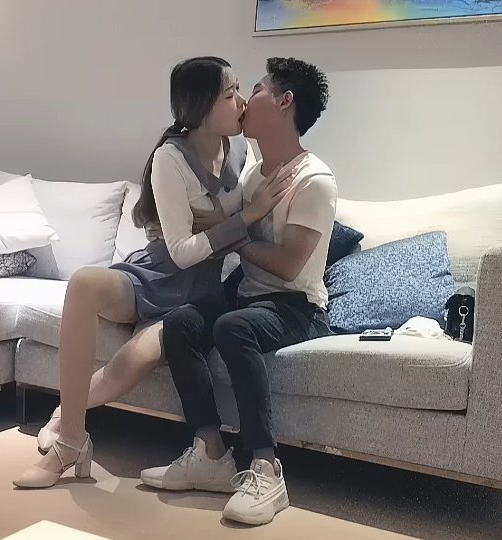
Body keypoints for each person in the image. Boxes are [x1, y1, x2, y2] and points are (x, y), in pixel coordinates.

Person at [13, 56, 289, 489]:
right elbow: (180, 251)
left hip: (203, 293)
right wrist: (242, 219)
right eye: (230, 93)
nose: (241, 102)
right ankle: (71, 442)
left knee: (133, 359)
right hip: (160, 274)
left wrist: (222, 224)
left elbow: (233, 230)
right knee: (83, 284)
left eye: (240, 90)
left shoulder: (241, 150)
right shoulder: (170, 158)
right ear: (200, 107)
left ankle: (62, 416)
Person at [140, 57, 336, 527]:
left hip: (297, 305)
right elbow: (207, 224)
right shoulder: (250, 173)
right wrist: (224, 226)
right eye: (236, 92)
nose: (245, 100)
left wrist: (236, 234)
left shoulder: (314, 180)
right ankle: (210, 452)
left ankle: (266, 468)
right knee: (181, 323)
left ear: (285, 102)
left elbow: (289, 265)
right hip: (248, 292)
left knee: (233, 327)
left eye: (257, 89)